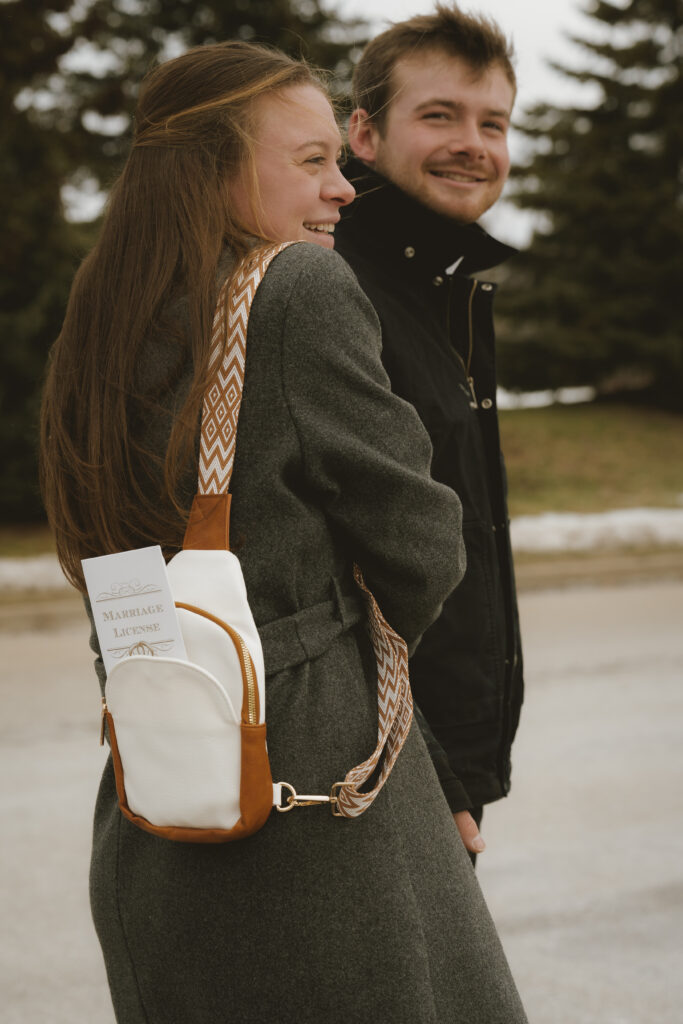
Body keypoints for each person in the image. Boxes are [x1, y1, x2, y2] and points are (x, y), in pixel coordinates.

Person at [40, 41, 527, 1023]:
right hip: (318, 784)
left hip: (162, 773)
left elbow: (108, 558)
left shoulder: (106, 304)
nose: (339, 190)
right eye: (309, 161)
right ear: (214, 169)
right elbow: (423, 538)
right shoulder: (296, 287)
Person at [335, 3, 524, 861]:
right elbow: (326, 568)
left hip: (434, 766)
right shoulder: (338, 289)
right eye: (439, 115)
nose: (473, 144)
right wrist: (435, 779)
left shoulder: (438, 291)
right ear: (363, 134)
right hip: (379, 772)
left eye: (493, 122)